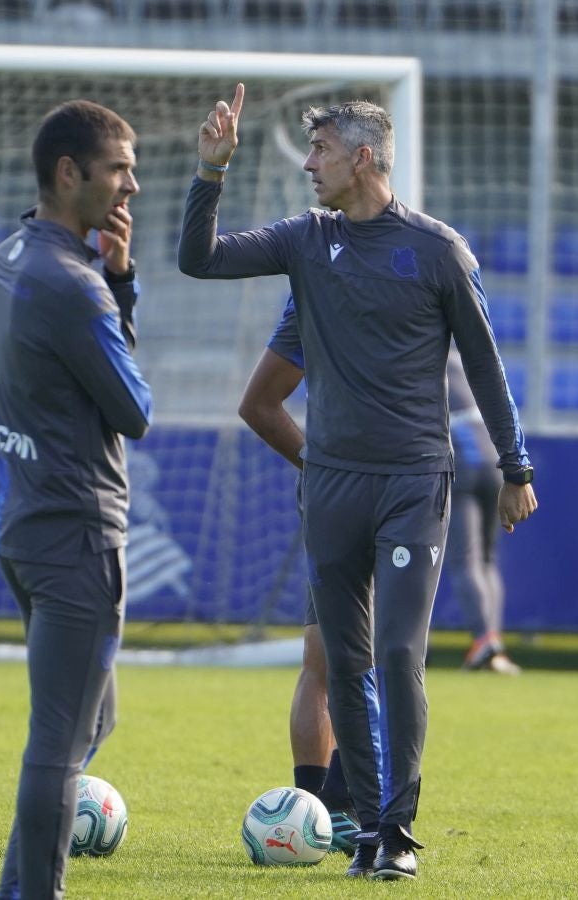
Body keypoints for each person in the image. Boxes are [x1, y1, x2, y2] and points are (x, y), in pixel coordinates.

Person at [181, 86, 538, 881]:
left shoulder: (437, 249)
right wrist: (211, 172)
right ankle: (369, 830)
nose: (308, 165)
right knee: (342, 663)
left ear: (362, 157)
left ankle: (398, 833)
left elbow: (485, 365)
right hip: (331, 487)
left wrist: (514, 466)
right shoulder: (306, 240)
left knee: (398, 651)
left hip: (412, 480)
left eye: (320, 151)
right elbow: (199, 260)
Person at [0, 99, 150, 900]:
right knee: (59, 740)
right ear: (67, 172)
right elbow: (135, 409)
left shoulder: (11, 253)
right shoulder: (72, 285)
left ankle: (16, 885)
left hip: (22, 523)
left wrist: (112, 276)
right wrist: (118, 284)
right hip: (76, 533)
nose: (131, 186)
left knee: (88, 721)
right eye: (118, 169)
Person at [236, 312, 357, 855]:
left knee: (327, 658)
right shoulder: (412, 280)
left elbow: (257, 403)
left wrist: (319, 468)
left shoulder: (314, 288)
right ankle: (337, 807)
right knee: (362, 656)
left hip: (348, 488)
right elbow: (257, 404)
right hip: (382, 486)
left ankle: (318, 809)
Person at [446, 347, 522, 675]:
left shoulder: (422, 354)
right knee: (488, 559)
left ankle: (483, 642)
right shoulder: (461, 358)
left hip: (460, 456)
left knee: (467, 559)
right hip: (491, 455)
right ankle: (494, 644)